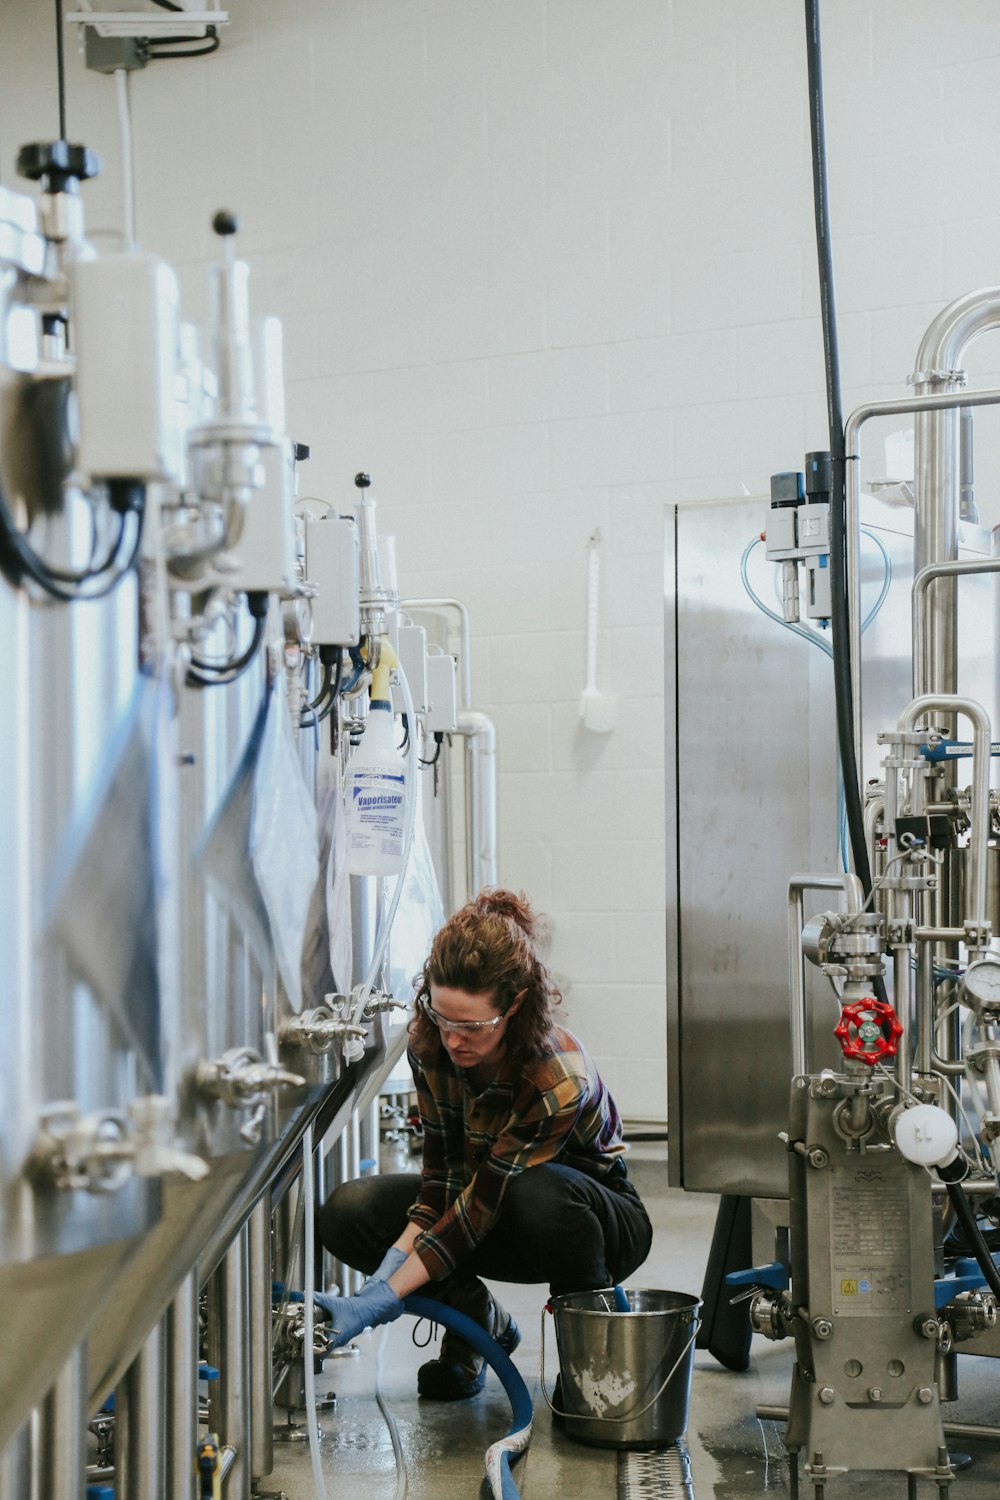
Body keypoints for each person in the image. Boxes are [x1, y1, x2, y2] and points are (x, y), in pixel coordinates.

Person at [315, 888, 653, 1400]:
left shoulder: (555, 1074)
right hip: (490, 1207)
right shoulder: (432, 1047)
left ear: (515, 1005)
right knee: (349, 1212)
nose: (453, 1039)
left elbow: (480, 1204)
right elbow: (442, 1187)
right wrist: (381, 1281)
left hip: (588, 1223)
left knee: (536, 1194)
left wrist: (389, 1293)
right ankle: (478, 1328)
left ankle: (590, 1368)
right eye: (442, 1017)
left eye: (471, 1026)